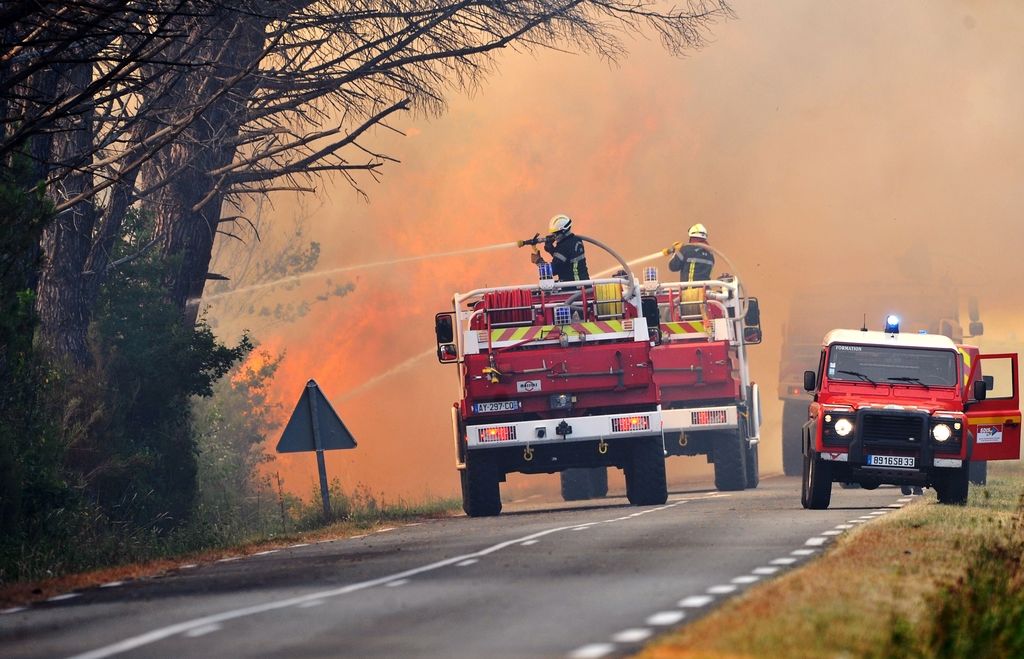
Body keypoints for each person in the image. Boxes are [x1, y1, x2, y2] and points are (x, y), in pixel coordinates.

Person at [532, 214, 589, 282]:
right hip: (584, 284)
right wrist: (552, 249)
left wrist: (538, 261)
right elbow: (566, 259)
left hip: (573, 287)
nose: (553, 235)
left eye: (555, 233)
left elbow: (551, 271)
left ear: (563, 231)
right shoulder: (577, 240)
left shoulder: (563, 247)